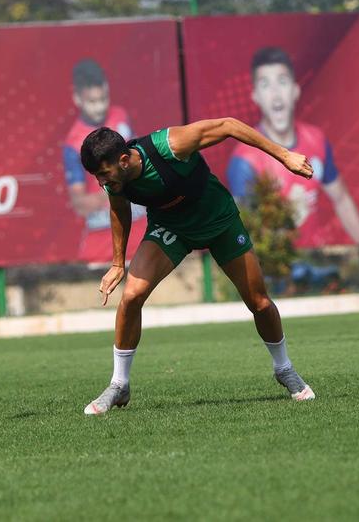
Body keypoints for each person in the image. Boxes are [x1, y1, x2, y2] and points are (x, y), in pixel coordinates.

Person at [79, 118, 316, 414]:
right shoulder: (115, 180)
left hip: (218, 221)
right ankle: (119, 384)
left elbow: (229, 125)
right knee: (131, 296)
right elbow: (119, 210)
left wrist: (285, 155)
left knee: (259, 303)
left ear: (124, 160)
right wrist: (117, 263)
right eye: (97, 177)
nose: (102, 182)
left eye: (104, 174)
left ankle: (284, 369)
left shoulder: (171, 145)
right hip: (171, 229)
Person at [227, 47, 359, 245]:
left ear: (295, 91)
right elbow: (247, 239)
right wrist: (288, 217)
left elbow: (342, 199)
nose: (276, 94)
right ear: (255, 97)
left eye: (282, 82)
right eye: (265, 85)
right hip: (276, 271)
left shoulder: (316, 139)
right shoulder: (245, 161)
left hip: (318, 263)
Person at [61, 59, 145, 262]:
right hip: (103, 239)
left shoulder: (121, 116)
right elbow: (80, 204)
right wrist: (118, 184)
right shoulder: (73, 144)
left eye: (103, 99)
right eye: (92, 102)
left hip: (141, 229)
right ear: (77, 98)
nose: (99, 107)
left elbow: (138, 160)